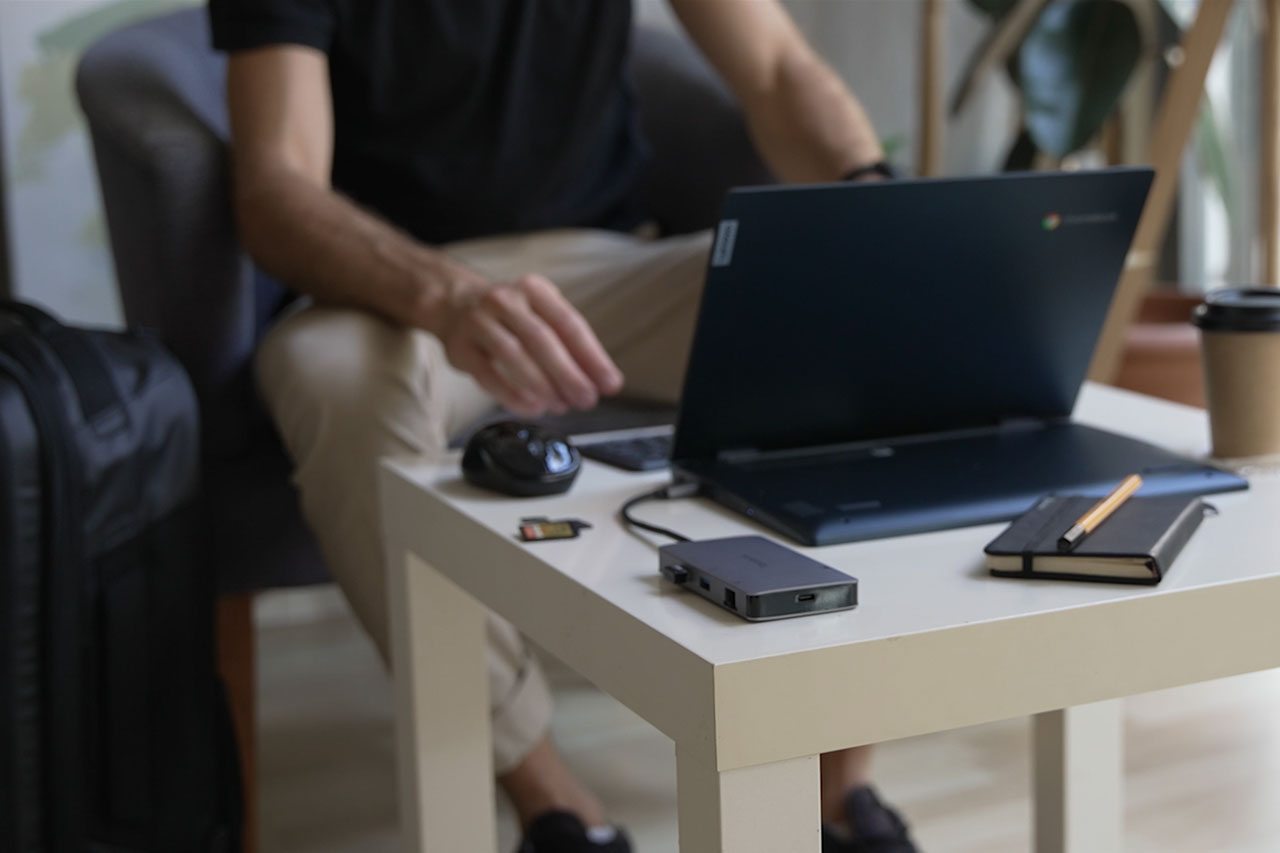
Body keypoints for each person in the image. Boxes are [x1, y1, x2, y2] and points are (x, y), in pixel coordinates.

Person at [208, 1, 918, 851]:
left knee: (863, 304)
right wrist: (445, 295)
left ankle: (841, 786)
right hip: (392, 293)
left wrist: (870, 198)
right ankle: (556, 805)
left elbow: (775, 67)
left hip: (612, 264)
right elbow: (276, 188)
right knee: (334, 390)